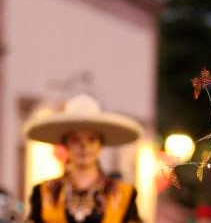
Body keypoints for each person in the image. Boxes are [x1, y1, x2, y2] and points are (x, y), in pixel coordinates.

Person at [23, 94, 144, 223]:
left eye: (91, 140)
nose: (84, 147)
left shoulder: (123, 194)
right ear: (66, 145)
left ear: (100, 145)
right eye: (75, 140)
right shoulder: (44, 192)